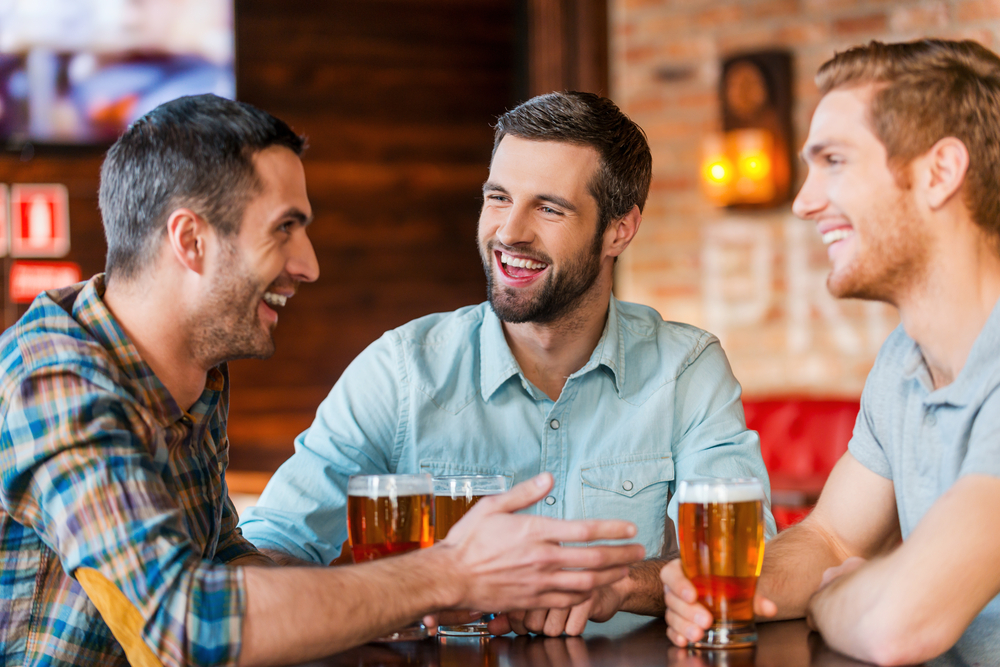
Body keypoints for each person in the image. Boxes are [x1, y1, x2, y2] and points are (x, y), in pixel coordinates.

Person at [0, 94, 647, 667]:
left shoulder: (188, 376)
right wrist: (449, 572)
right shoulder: (55, 377)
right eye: (285, 228)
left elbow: (230, 570)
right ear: (191, 240)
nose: (308, 265)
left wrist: (387, 592)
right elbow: (186, 627)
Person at [239, 91, 776, 637]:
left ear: (620, 229)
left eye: (549, 207)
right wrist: (416, 585)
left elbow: (746, 565)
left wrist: (617, 585)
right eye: (498, 197)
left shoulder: (686, 368)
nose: (509, 232)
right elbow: (267, 552)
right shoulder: (400, 371)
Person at [662, 39, 1000, 665]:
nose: (804, 200)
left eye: (834, 161)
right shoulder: (904, 362)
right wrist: (731, 590)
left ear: (940, 172)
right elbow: (832, 535)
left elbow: (904, 623)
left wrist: (829, 602)